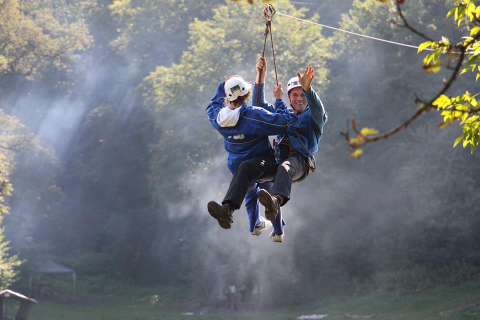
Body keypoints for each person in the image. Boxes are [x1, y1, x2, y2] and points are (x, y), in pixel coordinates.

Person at [209, 58, 328, 242]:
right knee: (247, 167)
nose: (299, 99)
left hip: (299, 164)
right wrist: (260, 78)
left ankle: (275, 202)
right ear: (289, 97)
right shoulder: (285, 113)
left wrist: (309, 91)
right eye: (295, 95)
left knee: (286, 166)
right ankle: (228, 209)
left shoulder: (313, 118)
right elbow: (258, 107)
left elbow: (318, 109)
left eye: (302, 95)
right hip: (277, 163)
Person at [206, 63, 290, 239]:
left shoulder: (219, 118)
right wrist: (279, 100)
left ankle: (255, 224)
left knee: (251, 192)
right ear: (247, 94)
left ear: (227, 97)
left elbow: (212, 104)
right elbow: (282, 122)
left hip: (236, 167)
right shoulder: (253, 116)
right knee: (266, 189)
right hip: (262, 165)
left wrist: (225, 84)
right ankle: (278, 231)